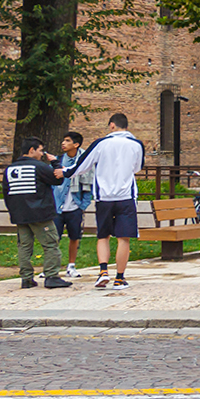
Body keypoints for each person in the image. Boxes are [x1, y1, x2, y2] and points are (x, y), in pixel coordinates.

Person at [59, 113, 145, 290]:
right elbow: (138, 167)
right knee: (123, 238)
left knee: (103, 235)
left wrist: (65, 172)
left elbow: (82, 165)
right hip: (125, 196)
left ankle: (103, 272)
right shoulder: (136, 144)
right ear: (126, 126)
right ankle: (120, 278)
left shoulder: (101, 143)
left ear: (112, 125)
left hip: (104, 197)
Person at [3, 138, 71, 289]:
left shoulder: (10, 169)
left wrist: (13, 211)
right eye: (40, 150)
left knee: (24, 246)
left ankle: (26, 278)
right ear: (32, 150)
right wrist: (55, 163)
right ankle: (52, 276)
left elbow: (6, 192)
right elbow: (57, 179)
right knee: (51, 244)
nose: (42, 154)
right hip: (40, 213)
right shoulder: (39, 166)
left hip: (19, 213)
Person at [53, 131, 94, 279]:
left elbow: (90, 183)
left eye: (67, 141)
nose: (63, 143)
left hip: (74, 206)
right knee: (53, 238)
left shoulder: (84, 162)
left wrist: (83, 205)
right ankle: (51, 267)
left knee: (74, 236)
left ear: (76, 144)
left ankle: (71, 265)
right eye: (63, 140)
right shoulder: (58, 160)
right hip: (58, 206)